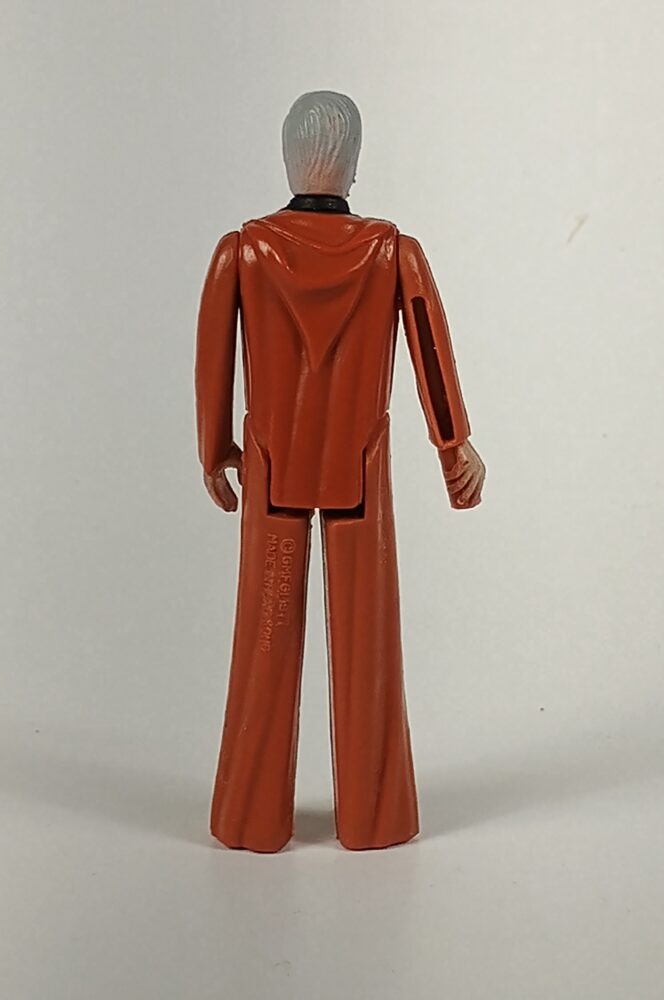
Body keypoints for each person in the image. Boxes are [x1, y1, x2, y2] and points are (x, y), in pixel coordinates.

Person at [195, 90, 485, 852]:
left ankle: (250, 816)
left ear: (287, 161)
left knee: (261, 650)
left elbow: (213, 358)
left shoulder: (242, 251)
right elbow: (430, 349)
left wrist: (214, 449)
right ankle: (376, 815)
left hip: (272, 474)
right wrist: (453, 445)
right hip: (359, 471)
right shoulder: (392, 252)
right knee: (370, 656)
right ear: (353, 167)